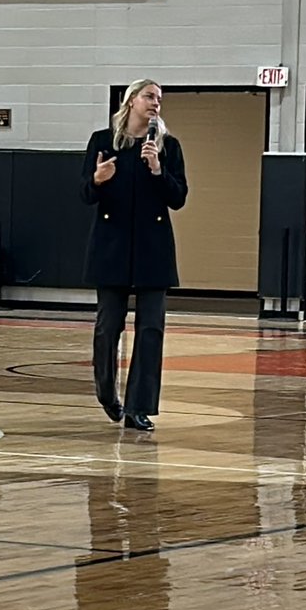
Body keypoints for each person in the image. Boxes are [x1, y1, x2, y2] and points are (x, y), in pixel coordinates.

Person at [80, 78, 188, 431]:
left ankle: (138, 407)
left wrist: (158, 170)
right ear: (131, 102)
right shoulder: (103, 141)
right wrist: (97, 179)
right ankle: (107, 395)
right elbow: (84, 194)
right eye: (149, 96)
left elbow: (178, 198)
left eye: (159, 98)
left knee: (151, 328)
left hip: (153, 248)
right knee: (108, 326)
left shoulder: (168, 146)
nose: (155, 102)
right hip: (111, 246)